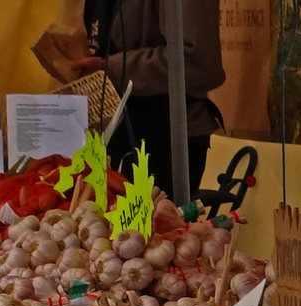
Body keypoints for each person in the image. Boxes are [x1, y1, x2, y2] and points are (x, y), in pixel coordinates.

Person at [75, 0, 224, 198]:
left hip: (163, 139)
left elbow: (199, 62)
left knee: (155, 227)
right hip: (109, 137)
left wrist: (111, 69)